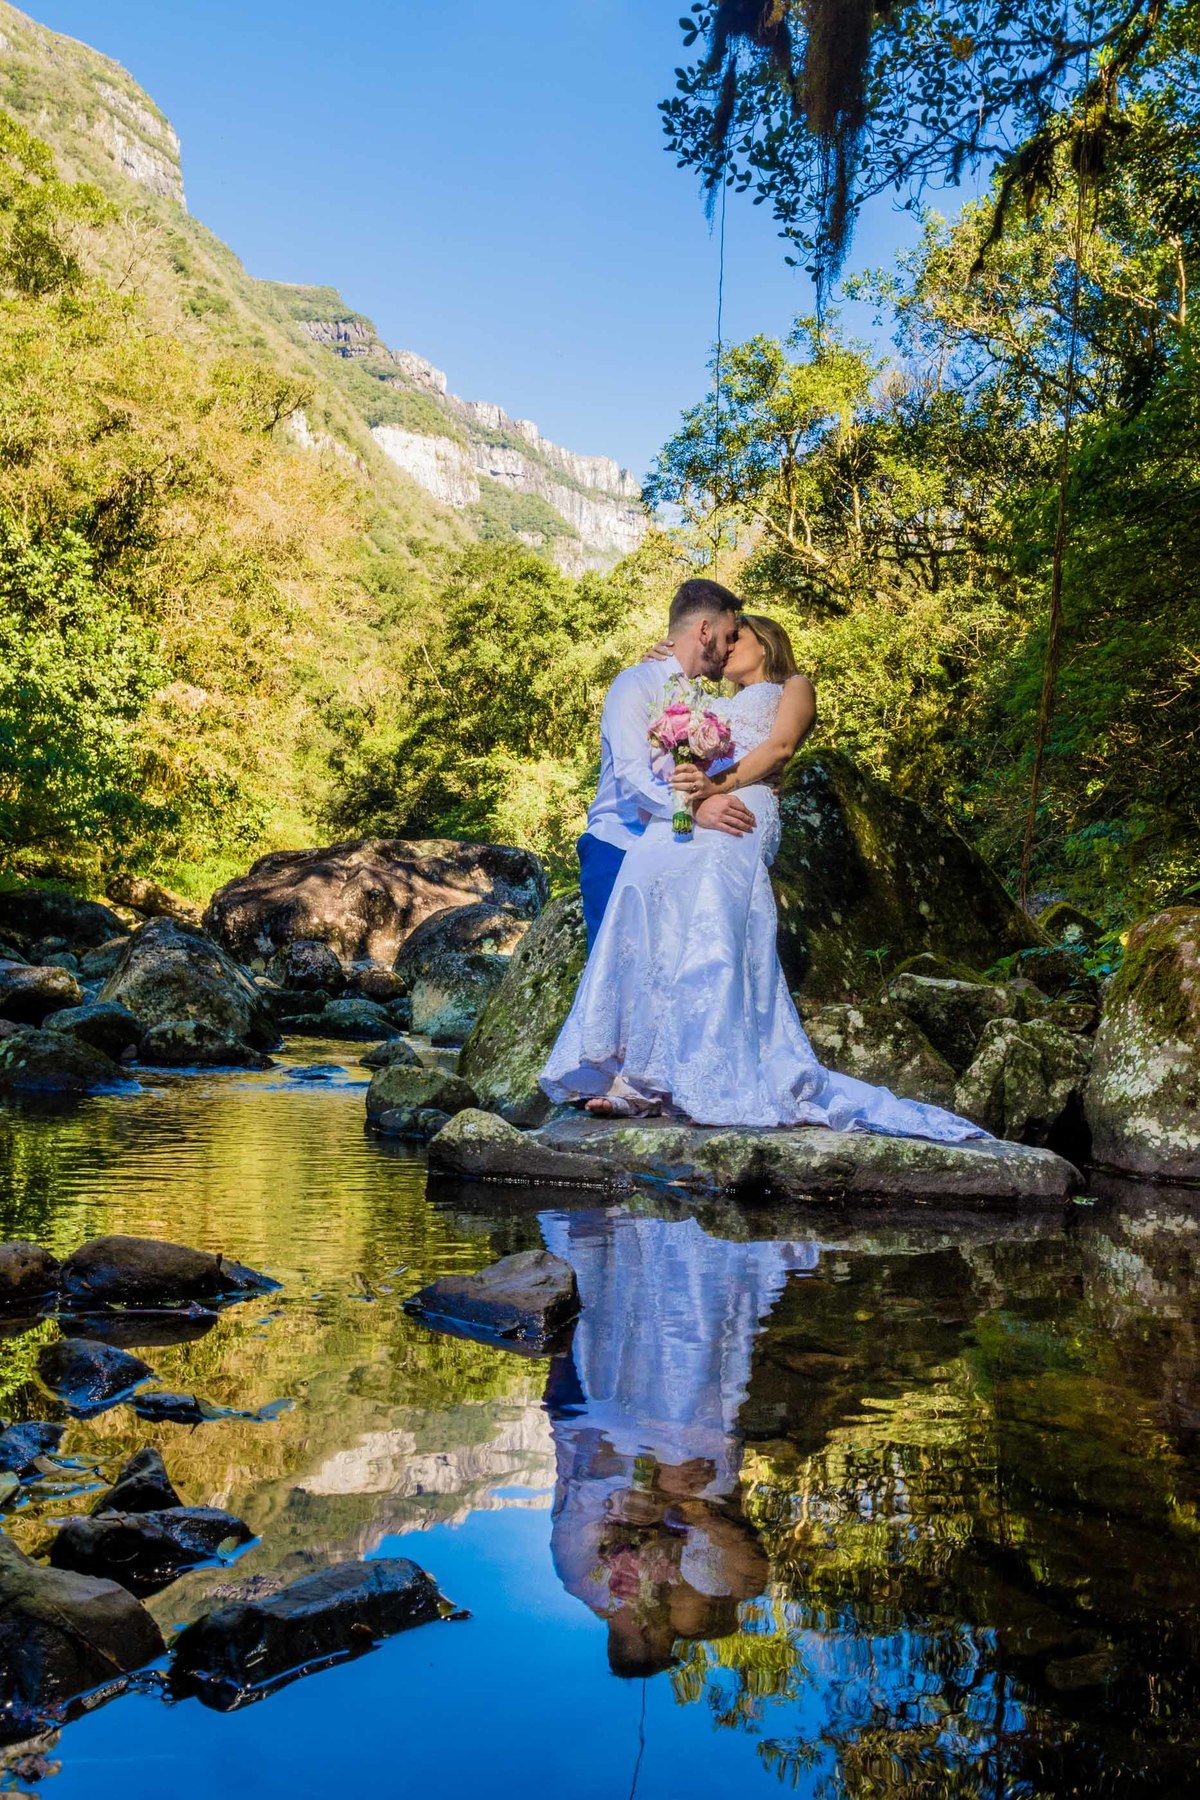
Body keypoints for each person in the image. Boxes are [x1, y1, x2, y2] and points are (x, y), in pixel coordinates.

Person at [539, 608, 994, 1141]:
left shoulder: (793, 685)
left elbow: (779, 747)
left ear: (767, 641)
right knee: (649, 875)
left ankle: (706, 1067)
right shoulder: (712, 701)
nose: (728, 648)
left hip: (743, 802)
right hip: (701, 804)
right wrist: (663, 672)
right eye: (725, 639)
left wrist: (720, 785)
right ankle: (642, 1076)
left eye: (739, 638)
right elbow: (672, 719)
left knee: (712, 902)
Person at [575, 576, 756, 953]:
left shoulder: (706, 704)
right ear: (704, 630)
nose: (729, 648)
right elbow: (630, 776)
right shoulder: (634, 683)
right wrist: (693, 809)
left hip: (677, 848)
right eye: (727, 636)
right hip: (618, 846)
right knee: (613, 980)